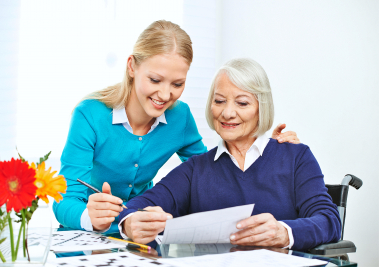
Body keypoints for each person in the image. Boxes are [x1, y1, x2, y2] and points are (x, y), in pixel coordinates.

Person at [53, 21, 299, 235]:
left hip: (141, 236)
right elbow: (65, 200)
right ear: (132, 67)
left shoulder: (179, 117)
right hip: (85, 235)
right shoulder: (90, 114)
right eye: (155, 80)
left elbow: (212, 172)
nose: (165, 94)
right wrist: (90, 218)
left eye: (177, 83)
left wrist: (265, 149)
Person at [118, 58, 341, 251]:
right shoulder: (196, 169)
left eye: (242, 103)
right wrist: (130, 222)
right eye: (219, 101)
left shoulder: (296, 157)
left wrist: (284, 233)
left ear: (261, 108)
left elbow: (329, 220)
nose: (227, 113)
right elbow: (135, 207)